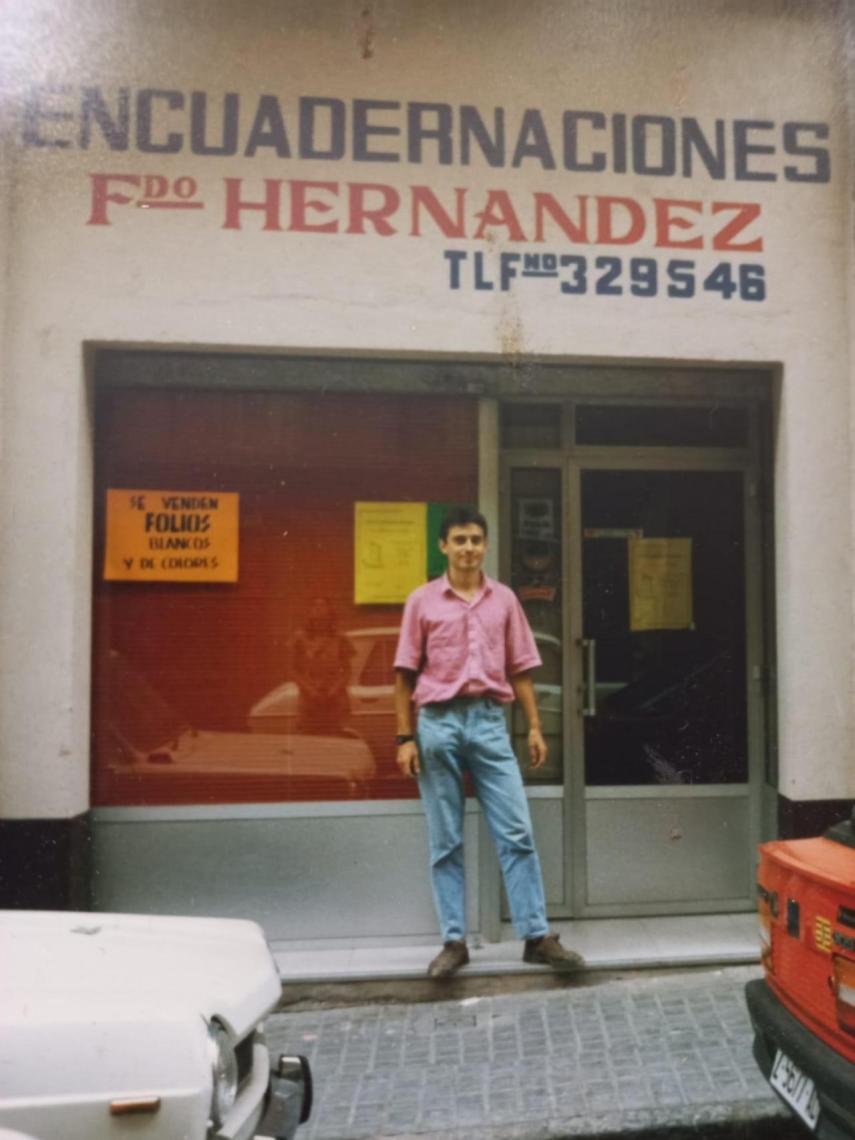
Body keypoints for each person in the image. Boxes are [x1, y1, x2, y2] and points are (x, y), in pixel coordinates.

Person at [393, 506, 584, 978]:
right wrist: (405, 737)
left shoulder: (504, 600)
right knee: (445, 839)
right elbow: (403, 675)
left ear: (486, 545)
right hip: (436, 723)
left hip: (488, 722)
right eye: (459, 540)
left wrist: (535, 726)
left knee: (516, 830)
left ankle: (536, 936)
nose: (468, 548)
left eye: (476, 539)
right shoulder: (422, 601)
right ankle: (453, 941)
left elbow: (521, 668)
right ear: (443, 546)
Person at [291, 597, 354, 735]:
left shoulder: (340, 638)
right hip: (309, 702)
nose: (319, 609)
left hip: (334, 700)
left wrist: (334, 690)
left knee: (333, 740)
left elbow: (347, 670)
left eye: (323, 605)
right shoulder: (300, 639)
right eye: (315, 605)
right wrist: (309, 690)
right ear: (309, 612)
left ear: (330, 611)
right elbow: (293, 670)